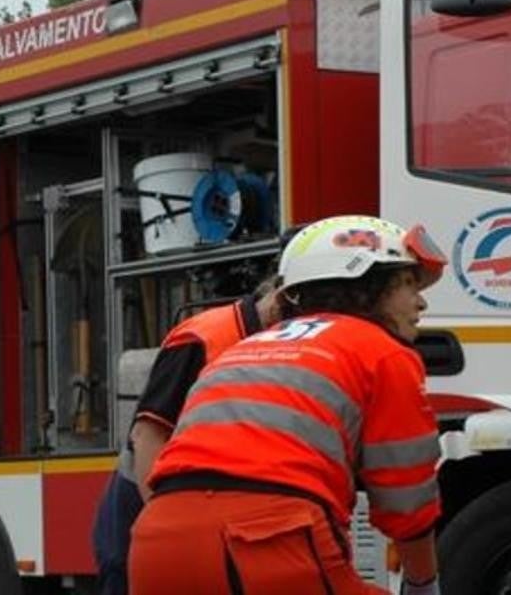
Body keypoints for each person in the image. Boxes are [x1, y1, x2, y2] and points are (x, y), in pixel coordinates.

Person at [127, 215, 448, 595]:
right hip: (267, 538)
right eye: (409, 283)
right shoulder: (382, 352)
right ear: (368, 285)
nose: (421, 301)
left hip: (157, 543)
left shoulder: (245, 347)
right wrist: (423, 582)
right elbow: (406, 499)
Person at [90, 274, 282, 595]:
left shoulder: (271, 343)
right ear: (280, 301)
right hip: (141, 508)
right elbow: (149, 437)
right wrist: (163, 531)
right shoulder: (205, 338)